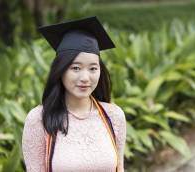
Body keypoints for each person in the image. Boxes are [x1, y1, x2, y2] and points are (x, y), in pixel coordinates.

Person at [22, 16, 126, 172]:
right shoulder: (39, 119)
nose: (85, 78)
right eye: (76, 68)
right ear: (61, 70)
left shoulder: (113, 116)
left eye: (93, 68)